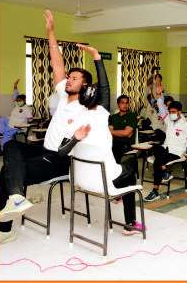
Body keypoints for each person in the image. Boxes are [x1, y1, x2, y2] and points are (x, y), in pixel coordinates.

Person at [0, 10, 89, 244]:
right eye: (70, 76)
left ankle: (4, 227)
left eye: (75, 78)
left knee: (8, 173)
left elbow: (73, 144)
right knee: (11, 147)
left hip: (60, 159)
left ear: (86, 86)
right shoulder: (62, 94)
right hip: (43, 149)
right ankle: (16, 197)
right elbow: (56, 62)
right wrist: (50, 32)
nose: (69, 79)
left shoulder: (86, 109)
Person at [58, 44, 143, 235]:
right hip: (104, 180)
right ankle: (131, 222)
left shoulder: (73, 120)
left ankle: (118, 196)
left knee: (122, 167)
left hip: (80, 179)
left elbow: (61, 151)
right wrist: (96, 56)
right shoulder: (103, 113)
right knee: (129, 169)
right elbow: (105, 87)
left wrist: (75, 138)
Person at [144, 83, 187, 202]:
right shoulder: (169, 121)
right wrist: (160, 95)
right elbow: (161, 109)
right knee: (154, 147)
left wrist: (186, 154)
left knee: (157, 161)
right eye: (170, 111)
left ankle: (155, 190)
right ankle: (165, 171)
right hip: (165, 149)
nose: (171, 114)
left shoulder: (186, 126)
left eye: (173, 112)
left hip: (177, 152)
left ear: (179, 112)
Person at [108, 95, 137, 163]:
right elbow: (109, 133)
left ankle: (116, 171)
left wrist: (113, 132)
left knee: (115, 151)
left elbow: (126, 133)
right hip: (114, 144)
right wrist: (122, 133)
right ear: (118, 104)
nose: (125, 105)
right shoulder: (113, 117)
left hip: (126, 146)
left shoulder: (131, 116)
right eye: (122, 103)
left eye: (127, 103)